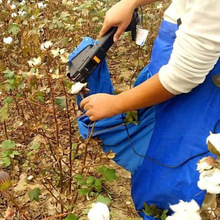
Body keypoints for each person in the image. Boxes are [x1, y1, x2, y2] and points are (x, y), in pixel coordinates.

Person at [70, 0, 220, 219]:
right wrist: (131, 3)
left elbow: (184, 75)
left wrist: (115, 104)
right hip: (177, 45)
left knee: (173, 169)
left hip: (196, 79)